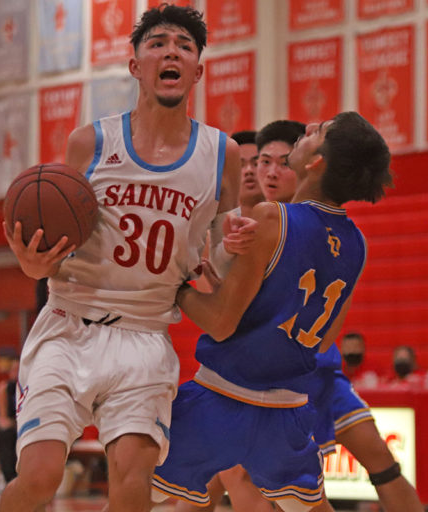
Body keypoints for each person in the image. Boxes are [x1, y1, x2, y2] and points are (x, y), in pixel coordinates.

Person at [0, 5, 254, 512]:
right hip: (69, 322)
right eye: (158, 42)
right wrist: (34, 266)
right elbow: (50, 252)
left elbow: (225, 245)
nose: (171, 51)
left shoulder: (220, 152)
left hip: (145, 335)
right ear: (135, 63)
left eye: (184, 45)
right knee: (40, 478)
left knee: (132, 480)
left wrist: (237, 249)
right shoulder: (90, 143)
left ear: (197, 70)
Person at [151, 112, 395, 512]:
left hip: (222, 397)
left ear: (316, 162)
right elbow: (324, 339)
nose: (309, 128)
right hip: (288, 412)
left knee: (135, 486)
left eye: (319, 132)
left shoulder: (271, 218)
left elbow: (220, 322)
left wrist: (173, 285)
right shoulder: (357, 244)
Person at [0, 348, 19, 485]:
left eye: (17, 369)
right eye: (12, 370)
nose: (14, 373)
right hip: (14, 425)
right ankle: (8, 480)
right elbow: (3, 417)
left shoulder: (31, 386)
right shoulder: (4, 388)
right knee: (3, 435)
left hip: (30, 425)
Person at [231, 130, 262, 217]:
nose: (249, 170)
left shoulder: (286, 224)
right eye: (240, 165)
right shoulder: (213, 227)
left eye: (256, 163)